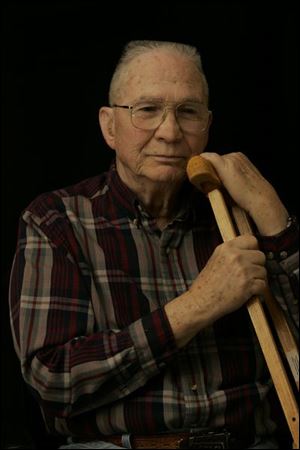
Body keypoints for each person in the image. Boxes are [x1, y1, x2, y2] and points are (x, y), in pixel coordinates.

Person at [9, 40, 298, 449]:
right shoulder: (56, 221)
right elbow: (52, 380)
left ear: (208, 125)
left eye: (188, 112)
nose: (170, 132)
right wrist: (199, 304)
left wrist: (274, 218)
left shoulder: (242, 215)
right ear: (110, 126)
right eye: (147, 110)